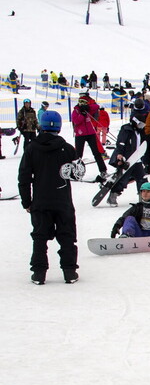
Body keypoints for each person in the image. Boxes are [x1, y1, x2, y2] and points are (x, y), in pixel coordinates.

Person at [18, 109, 80, 284]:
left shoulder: (31, 149)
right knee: (67, 236)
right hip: (63, 201)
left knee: (39, 237)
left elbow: (24, 177)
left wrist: (26, 201)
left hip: (41, 201)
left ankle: (39, 273)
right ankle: (69, 272)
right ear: (59, 127)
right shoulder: (67, 149)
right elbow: (76, 173)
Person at [106, 109, 148, 206]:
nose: (141, 126)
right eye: (140, 124)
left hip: (136, 159)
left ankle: (143, 198)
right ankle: (113, 195)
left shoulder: (140, 132)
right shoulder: (126, 130)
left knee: (142, 178)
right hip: (127, 160)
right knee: (123, 180)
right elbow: (121, 143)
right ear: (135, 122)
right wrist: (119, 155)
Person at [72, 94, 108, 178]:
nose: (82, 104)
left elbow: (96, 106)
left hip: (90, 133)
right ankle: (76, 172)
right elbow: (76, 121)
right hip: (80, 134)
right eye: (81, 102)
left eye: (84, 102)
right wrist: (82, 114)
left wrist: (88, 108)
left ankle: (103, 170)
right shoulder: (76, 111)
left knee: (96, 153)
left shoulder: (88, 110)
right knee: (79, 154)